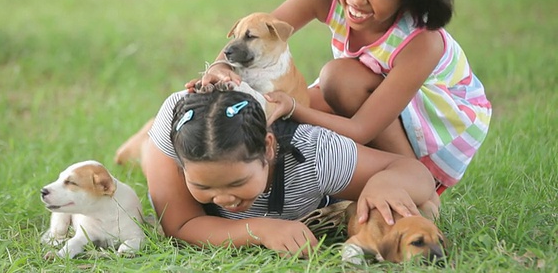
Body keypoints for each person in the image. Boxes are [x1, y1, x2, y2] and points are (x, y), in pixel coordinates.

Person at [191, 0, 492, 194]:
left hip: (438, 129)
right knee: (301, 113)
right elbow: (256, 30)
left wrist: (293, 106)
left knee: (335, 80)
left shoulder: (422, 42)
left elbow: (360, 128)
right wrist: (220, 68)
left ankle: (409, 182)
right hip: (375, 98)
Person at [142, 87, 436, 257]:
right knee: (147, 150)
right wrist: (259, 229)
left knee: (423, 207)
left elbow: (413, 172)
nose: (222, 199)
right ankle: (142, 138)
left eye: (237, 182)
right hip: (169, 134)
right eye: (203, 186)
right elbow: (181, 225)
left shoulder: (316, 154)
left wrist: (384, 182)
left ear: (268, 148)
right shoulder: (176, 152)